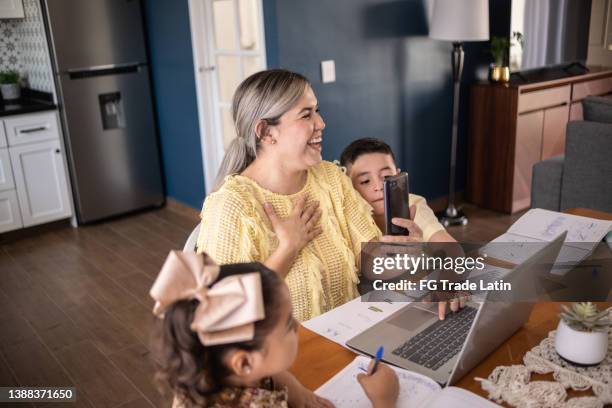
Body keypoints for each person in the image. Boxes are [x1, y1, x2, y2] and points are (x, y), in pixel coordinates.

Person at [197, 69, 407, 322]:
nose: (320, 123)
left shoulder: (330, 178)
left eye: (316, 111)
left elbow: (372, 263)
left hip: (351, 338)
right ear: (266, 132)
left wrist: (411, 254)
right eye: (306, 114)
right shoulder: (232, 205)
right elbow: (223, 311)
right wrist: (288, 248)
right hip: (284, 356)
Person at [150, 250, 400, 408]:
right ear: (245, 363)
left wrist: (295, 389)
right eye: (289, 324)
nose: (299, 325)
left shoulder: (208, 373)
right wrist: (383, 401)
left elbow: (266, 371)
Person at [339, 138, 456, 244]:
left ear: (398, 175)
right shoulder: (343, 219)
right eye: (365, 181)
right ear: (349, 187)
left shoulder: (413, 205)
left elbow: (452, 250)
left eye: (386, 176)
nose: (379, 186)